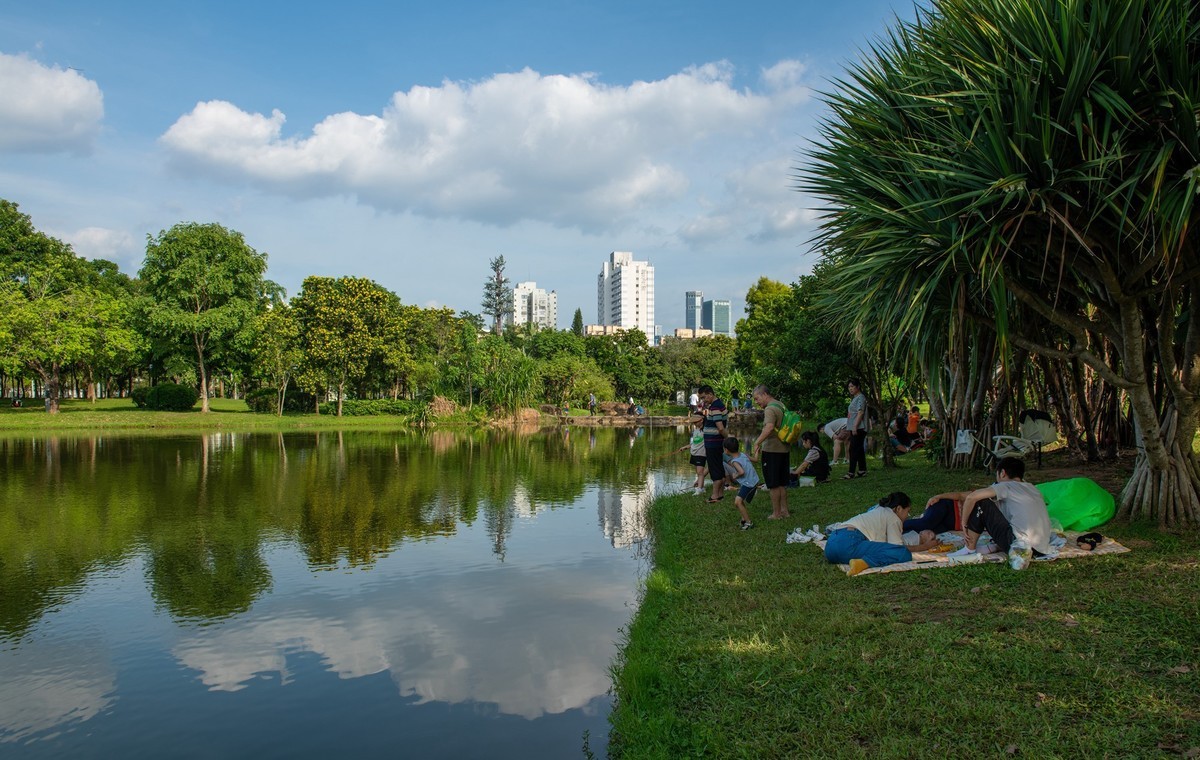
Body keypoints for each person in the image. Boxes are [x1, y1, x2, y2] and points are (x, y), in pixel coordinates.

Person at [927, 456, 1052, 570]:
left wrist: (964, 523)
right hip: (1040, 548)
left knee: (981, 502)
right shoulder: (1032, 488)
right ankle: (991, 546)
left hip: (1019, 546)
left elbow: (972, 497)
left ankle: (969, 549)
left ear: (1002, 473)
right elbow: (964, 495)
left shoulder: (1005, 486)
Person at [824, 492, 941, 576]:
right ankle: (863, 563)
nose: (907, 516)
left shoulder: (876, 509)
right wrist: (925, 547)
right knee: (902, 553)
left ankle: (859, 561)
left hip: (831, 549)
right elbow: (897, 548)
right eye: (907, 512)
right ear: (899, 508)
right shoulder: (893, 517)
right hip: (848, 544)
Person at [751, 384, 791, 519]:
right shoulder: (780, 405)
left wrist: (757, 442)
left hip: (772, 450)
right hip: (784, 449)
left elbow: (768, 428)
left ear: (765, 395)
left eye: (757, 399)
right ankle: (785, 511)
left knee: (773, 483)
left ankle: (776, 513)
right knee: (781, 482)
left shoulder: (770, 409)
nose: (756, 402)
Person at [698, 384, 728, 502]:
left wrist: (728, 438)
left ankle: (714, 496)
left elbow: (720, 428)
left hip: (713, 443)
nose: (703, 400)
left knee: (714, 468)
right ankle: (720, 494)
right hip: (716, 442)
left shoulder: (715, 407)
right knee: (719, 467)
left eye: (704, 397)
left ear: (710, 394)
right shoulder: (718, 405)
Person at [722, 437, 758, 530]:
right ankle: (744, 518)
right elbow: (756, 460)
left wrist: (735, 475)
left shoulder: (734, 461)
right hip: (753, 481)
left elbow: (741, 472)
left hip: (748, 483)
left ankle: (749, 523)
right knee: (740, 501)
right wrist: (757, 451)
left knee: (737, 502)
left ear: (726, 450)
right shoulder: (743, 454)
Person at [671, 415, 708, 494]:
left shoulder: (706, 430)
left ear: (701, 420)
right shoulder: (696, 430)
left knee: (700, 472)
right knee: (698, 472)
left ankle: (699, 489)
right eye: (693, 422)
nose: (694, 423)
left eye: (696, 422)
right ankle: (702, 487)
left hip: (701, 453)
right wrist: (685, 447)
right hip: (694, 453)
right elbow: (694, 443)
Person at [843, 379, 869, 479]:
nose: (850, 389)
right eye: (849, 387)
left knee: (853, 449)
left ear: (858, 386)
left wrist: (855, 426)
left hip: (859, 428)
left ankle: (851, 472)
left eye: (852, 386)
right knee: (859, 449)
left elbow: (860, 412)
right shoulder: (855, 398)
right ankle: (862, 470)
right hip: (855, 427)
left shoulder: (860, 398)